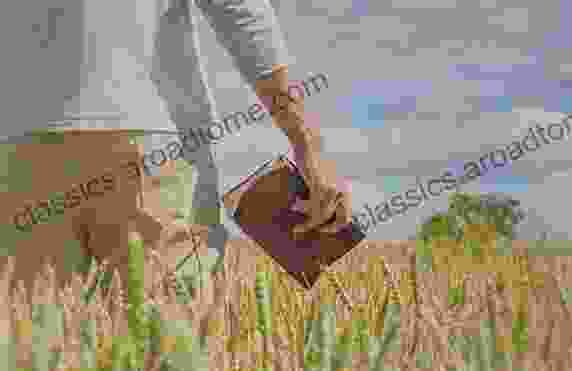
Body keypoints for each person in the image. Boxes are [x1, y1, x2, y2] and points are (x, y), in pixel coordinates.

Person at [0, 0, 352, 302]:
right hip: (149, 139)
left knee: (29, 358)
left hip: (17, 143)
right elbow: (242, 13)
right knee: (172, 353)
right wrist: (307, 145)